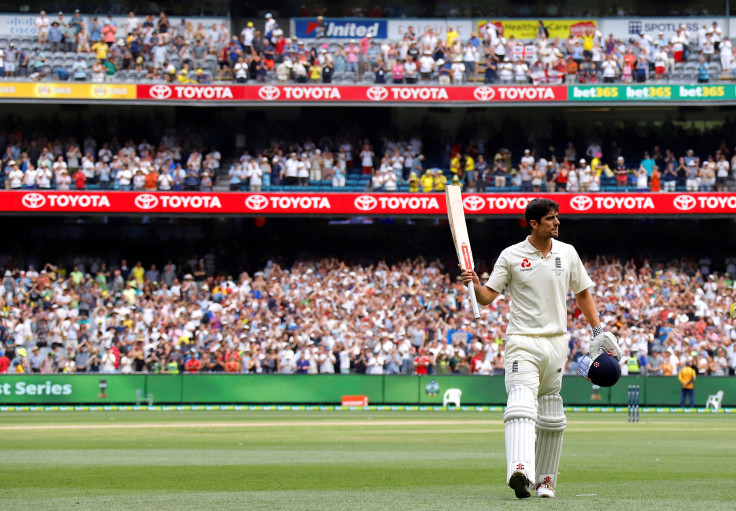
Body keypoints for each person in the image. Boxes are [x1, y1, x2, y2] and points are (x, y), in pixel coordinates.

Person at [461, 198, 621, 499]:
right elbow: (486, 297)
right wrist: (472, 283)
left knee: (551, 414)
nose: (557, 222)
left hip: (557, 343)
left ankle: (546, 481)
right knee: (521, 403)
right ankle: (520, 470)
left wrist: (598, 330)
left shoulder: (567, 252)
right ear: (533, 224)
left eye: (557, 217)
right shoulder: (511, 255)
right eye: (550, 219)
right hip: (523, 341)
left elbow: (583, 294)